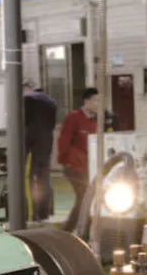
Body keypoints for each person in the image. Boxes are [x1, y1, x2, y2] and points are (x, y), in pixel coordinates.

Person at [57, 87, 99, 232]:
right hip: (74, 167)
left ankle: (84, 231)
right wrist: (64, 161)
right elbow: (64, 140)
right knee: (84, 199)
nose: (99, 104)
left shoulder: (94, 121)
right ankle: (68, 231)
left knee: (88, 199)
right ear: (86, 101)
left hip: (87, 167)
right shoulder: (74, 117)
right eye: (96, 101)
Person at [23, 81, 57, 222]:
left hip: (32, 143)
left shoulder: (28, 99)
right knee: (44, 179)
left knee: (28, 178)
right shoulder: (51, 101)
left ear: (27, 88)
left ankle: (31, 214)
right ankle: (45, 213)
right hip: (46, 144)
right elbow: (52, 124)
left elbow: (22, 122)